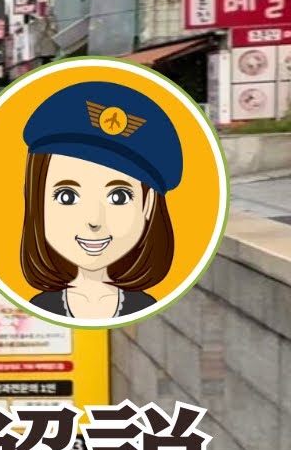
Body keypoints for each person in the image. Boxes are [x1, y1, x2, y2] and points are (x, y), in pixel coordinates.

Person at [19, 81, 180, 320]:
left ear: (148, 205)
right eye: (67, 196)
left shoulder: (145, 306)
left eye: (118, 197)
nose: (94, 220)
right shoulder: (39, 307)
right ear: (36, 201)